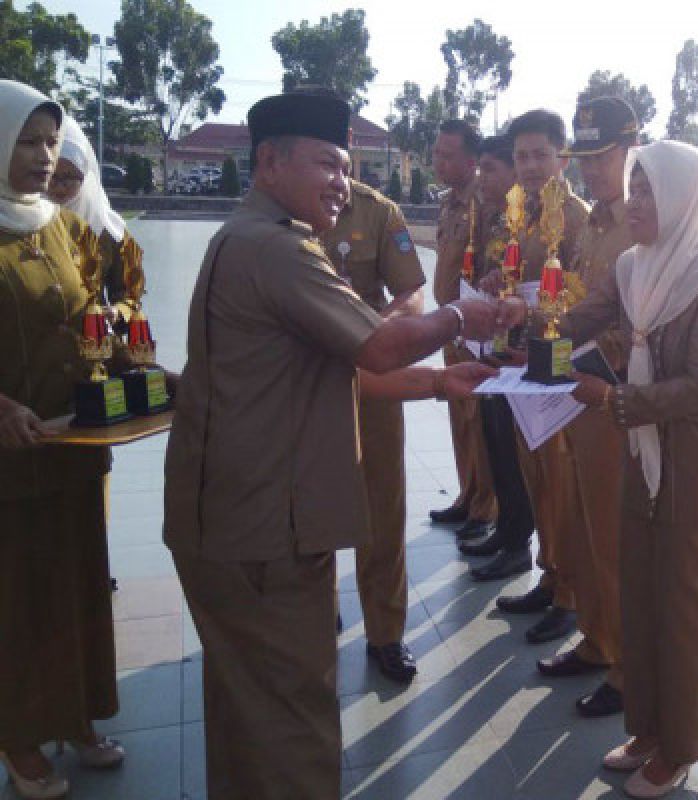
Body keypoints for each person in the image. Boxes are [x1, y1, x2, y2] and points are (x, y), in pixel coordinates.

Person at [163, 91, 515, 800]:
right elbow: (381, 344)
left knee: (249, 716)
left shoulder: (251, 237)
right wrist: (459, 314)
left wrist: (441, 387)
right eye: (326, 162)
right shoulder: (277, 247)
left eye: (348, 166)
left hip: (232, 520)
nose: (342, 181)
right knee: (293, 724)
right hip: (263, 530)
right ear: (269, 162)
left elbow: (349, 370)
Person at [562, 140, 698, 798]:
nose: (634, 202)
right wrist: (525, 326)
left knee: (687, 597)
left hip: (693, 455)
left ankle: (684, 742)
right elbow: (587, 317)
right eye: (632, 189)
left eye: (648, 191)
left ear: (684, 198)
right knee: (641, 584)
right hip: (642, 447)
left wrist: (615, 400)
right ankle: (647, 724)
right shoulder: (636, 267)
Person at [0, 79, 127, 800]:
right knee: (17, 597)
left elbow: (90, 317)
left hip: (71, 448)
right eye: (26, 140)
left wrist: (119, 359)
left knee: (77, 587)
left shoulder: (57, 224)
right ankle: (19, 737)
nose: (45, 156)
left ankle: (74, 714)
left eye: (52, 141)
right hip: (9, 460)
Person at [534, 96, 638, 719]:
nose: (591, 169)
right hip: (578, 395)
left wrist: (584, 352)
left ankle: (627, 666)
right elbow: (582, 299)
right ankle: (598, 641)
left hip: (616, 401)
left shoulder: (642, 221)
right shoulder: (596, 223)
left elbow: (644, 326)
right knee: (592, 533)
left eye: (602, 157)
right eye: (586, 158)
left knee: (617, 540)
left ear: (630, 150)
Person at [470, 109, 590, 646]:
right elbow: (517, 277)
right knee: (536, 478)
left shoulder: (579, 218)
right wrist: (501, 281)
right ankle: (551, 577)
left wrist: (534, 304)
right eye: (522, 156)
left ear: (563, 158)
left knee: (562, 485)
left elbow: (586, 296)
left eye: (541, 154)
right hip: (522, 364)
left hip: (559, 367)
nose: (530, 165)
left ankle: (571, 597)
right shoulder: (521, 214)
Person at [318, 175, 425, 684]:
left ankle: (385, 630)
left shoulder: (378, 212)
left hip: (371, 370)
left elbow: (411, 291)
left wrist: (376, 329)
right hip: (302, 377)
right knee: (306, 496)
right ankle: (315, 607)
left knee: (382, 500)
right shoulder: (277, 207)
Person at [466, 134, 540, 578]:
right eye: (521, 158)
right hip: (500, 346)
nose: (483, 178)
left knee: (522, 457)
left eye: (491, 168)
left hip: (532, 354)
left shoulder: (559, 220)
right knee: (497, 443)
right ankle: (509, 532)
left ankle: (522, 546)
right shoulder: (512, 220)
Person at [429, 119, 497, 540]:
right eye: (437, 153)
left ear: (472, 161)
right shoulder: (449, 203)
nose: (439, 161)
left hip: (474, 327)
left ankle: (486, 506)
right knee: (459, 418)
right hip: (449, 325)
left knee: (478, 420)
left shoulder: (485, 204)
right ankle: (467, 494)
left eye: (447, 155)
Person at [47, 114, 137, 309]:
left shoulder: (112, 231)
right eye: (52, 176)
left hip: (92, 333)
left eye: (70, 177)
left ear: (86, 176)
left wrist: (117, 312)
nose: (60, 188)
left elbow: (132, 296)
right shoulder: (22, 225)